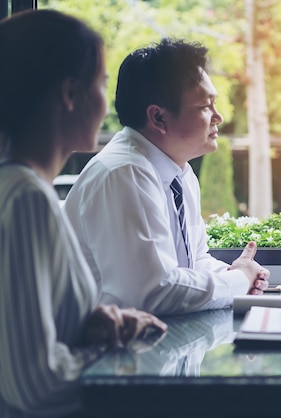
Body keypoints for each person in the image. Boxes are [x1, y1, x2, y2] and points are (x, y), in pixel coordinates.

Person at [0, 10, 167, 417]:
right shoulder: (26, 200)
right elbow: (37, 386)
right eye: (101, 84)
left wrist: (87, 324)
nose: (106, 103)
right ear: (71, 93)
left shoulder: (23, 190)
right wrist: (104, 345)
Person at [63, 38, 269, 316]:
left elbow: (192, 264)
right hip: (109, 353)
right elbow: (155, 292)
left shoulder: (180, 174)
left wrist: (240, 273)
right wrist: (237, 281)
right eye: (204, 106)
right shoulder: (125, 174)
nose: (218, 117)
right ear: (158, 118)